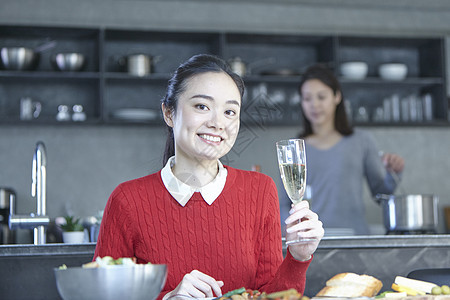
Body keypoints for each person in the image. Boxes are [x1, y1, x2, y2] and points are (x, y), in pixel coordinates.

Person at [94, 54, 324, 300]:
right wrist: (167, 298)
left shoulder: (259, 190)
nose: (217, 123)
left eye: (229, 111)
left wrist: (298, 258)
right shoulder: (127, 200)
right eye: (202, 106)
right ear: (169, 113)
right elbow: (100, 295)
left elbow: (270, 296)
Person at [280, 64, 404, 235]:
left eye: (321, 97)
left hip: (354, 239)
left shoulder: (362, 141)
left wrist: (393, 173)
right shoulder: (294, 148)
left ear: (337, 97)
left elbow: (381, 195)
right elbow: (284, 204)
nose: (314, 105)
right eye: (307, 98)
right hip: (310, 242)